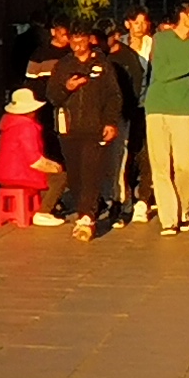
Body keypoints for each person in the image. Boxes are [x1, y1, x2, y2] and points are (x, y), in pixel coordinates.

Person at [134, 9, 189, 233]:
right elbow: (163, 73)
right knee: (160, 166)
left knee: (186, 165)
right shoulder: (161, 38)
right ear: (183, 15)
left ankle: (182, 210)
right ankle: (169, 219)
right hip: (157, 108)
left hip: (185, 109)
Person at [50, 34, 128, 237]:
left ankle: (87, 217)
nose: (77, 46)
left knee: (91, 173)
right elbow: (52, 96)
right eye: (73, 42)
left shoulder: (103, 65)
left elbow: (114, 96)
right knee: (75, 177)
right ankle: (88, 208)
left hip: (95, 129)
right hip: (69, 129)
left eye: (81, 41)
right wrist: (67, 88)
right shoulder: (63, 65)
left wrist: (110, 122)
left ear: (89, 40)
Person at [0, 85, 52, 228]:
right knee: (60, 177)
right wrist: (54, 167)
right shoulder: (27, 127)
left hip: (3, 174)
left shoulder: (8, 125)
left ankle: (13, 212)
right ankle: (43, 211)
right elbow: (34, 160)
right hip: (22, 174)